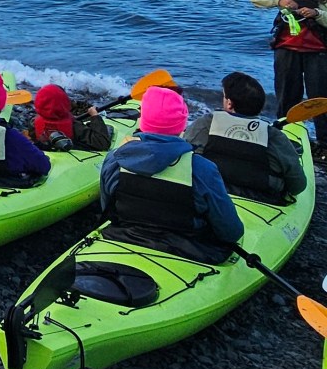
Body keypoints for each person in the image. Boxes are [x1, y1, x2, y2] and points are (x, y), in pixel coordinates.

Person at [101, 85, 244, 263]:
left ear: (142, 121)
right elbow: (231, 232)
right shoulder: (203, 169)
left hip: (127, 235)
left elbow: (108, 209)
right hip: (190, 249)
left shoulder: (114, 159)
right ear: (183, 125)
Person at [184, 72, 307, 202]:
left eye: (224, 96)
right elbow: (297, 186)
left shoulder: (206, 124)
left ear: (229, 104)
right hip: (264, 200)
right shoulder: (275, 137)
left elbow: (183, 156)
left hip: (210, 191)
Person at [250, 0, 327, 157]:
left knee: (319, 98)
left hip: (317, 52)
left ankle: (324, 143)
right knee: (286, 95)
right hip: (286, 50)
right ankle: (286, 137)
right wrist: (281, 1)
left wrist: (318, 14)